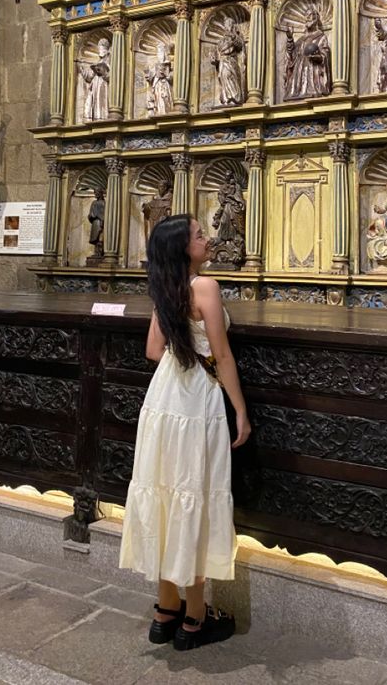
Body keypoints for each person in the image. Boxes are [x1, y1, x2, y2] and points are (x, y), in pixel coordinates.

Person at [119, 215, 251, 650]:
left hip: (163, 402)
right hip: (196, 403)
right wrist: (240, 410)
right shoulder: (205, 287)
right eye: (199, 235)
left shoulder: (167, 288)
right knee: (191, 495)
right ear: (183, 248)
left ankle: (164, 610)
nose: (207, 238)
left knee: (163, 495)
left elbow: (153, 351)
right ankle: (195, 619)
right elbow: (224, 355)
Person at [281, 6, 332, 100]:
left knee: (312, 90)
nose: (307, 18)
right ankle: (297, 92)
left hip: (312, 68)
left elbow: (325, 53)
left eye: (310, 16)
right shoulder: (301, 39)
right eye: (306, 16)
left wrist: (318, 57)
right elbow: (291, 54)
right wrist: (289, 38)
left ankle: (311, 90)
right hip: (299, 71)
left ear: (316, 19)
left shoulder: (320, 36)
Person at [211, 18, 245, 106]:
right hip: (223, 63)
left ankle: (234, 98)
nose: (228, 26)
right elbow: (218, 53)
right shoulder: (221, 41)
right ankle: (227, 99)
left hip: (231, 61)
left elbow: (240, 46)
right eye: (226, 24)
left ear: (233, 26)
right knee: (224, 78)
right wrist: (215, 60)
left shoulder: (236, 37)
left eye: (230, 24)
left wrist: (233, 36)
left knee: (231, 77)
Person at [79, 37, 110, 121]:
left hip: (103, 85)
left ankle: (102, 116)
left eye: (103, 50)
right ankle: (95, 116)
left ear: (107, 51)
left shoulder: (110, 61)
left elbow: (112, 77)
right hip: (95, 85)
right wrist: (82, 69)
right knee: (94, 101)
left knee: (101, 101)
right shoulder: (98, 62)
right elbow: (89, 77)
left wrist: (103, 73)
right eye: (100, 50)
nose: (101, 52)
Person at [144, 41, 173, 115]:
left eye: (162, 52)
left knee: (165, 98)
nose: (160, 54)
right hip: (157, 84)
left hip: (165, 84)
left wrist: (166, 75)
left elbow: (171, 78)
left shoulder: (167, 64)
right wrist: (148, 75)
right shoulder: (155, 65)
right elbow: (151, 77)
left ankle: (167, 111)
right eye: (159, 52)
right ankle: (159, 112)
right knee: (158, 98)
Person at [87, 187, 105, 258]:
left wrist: (102, 222)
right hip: (94, 222)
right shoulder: (94, 202)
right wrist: (90, 215)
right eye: (95, 192)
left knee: (99, 237)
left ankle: (100, 253)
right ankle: (96, 252)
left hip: (99, 222)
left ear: (100, 193)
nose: (96, 194)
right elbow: (91, 213)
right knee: (95, 239)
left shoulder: (103, 203)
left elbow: (103, 214)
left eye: (97, 192)